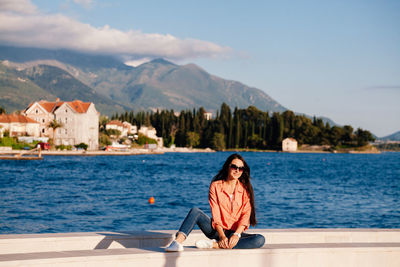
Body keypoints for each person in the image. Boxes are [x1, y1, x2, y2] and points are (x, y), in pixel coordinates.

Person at [165, 153, 265, 252]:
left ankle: (215, 245)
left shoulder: (245, 189)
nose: (237, 170)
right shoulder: (215, 186)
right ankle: (177, 243)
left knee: (260, 239)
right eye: (234, 167)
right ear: (228, 167)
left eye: (241, 168)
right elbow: (216, 215)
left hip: (234, 233)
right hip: (216, 231)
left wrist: (237, 234)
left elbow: (245, 215)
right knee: (195, 211)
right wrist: (221, 236)